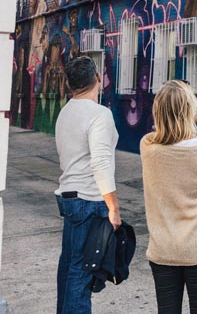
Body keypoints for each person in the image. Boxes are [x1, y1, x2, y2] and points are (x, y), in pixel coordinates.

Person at [140, 80, 197, 313]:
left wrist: (183, 117)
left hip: (162, 251)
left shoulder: (147, 146)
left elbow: (169, 135)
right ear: (189, 110)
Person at [54, 56, 121, 314]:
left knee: (70, 266)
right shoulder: (99, 115)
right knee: (83, 273)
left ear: (70, 83)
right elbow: (101, 164)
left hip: (70, 199)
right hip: (89, 202)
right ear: (97, 79)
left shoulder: (66, 111)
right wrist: (113, 207)